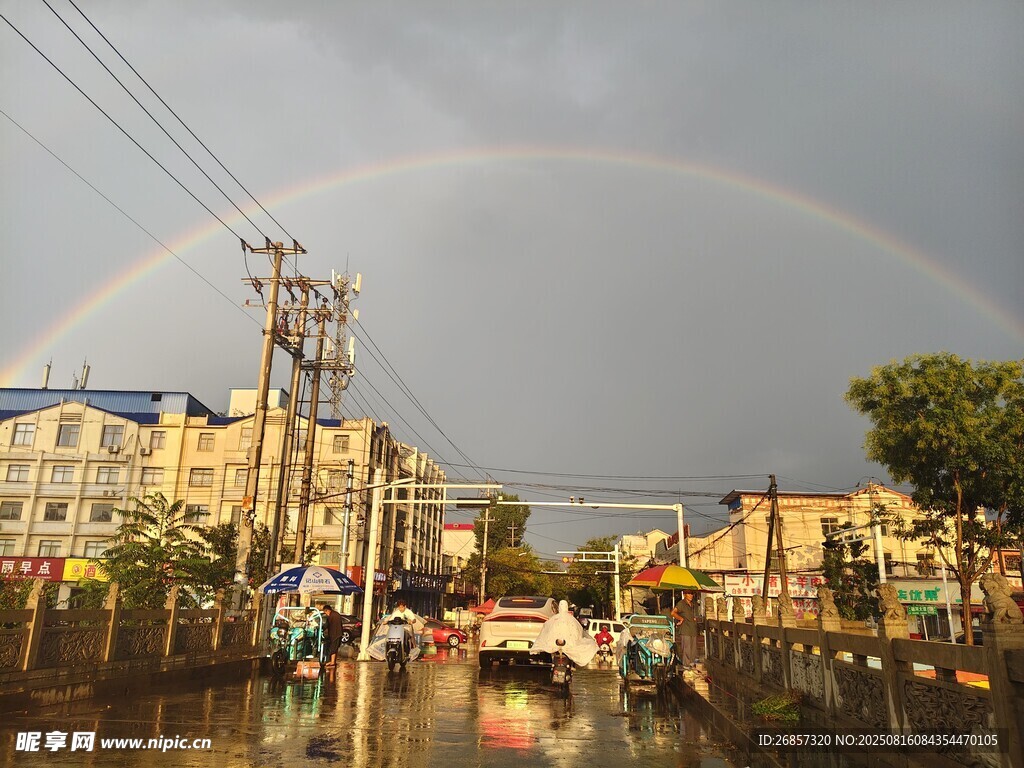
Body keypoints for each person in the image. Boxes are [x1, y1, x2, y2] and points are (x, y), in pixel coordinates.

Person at [531, 600, 598, 667]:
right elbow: (578, 631)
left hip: (554, 645)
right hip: (569, 645)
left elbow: (546, 630)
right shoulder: (572, 620)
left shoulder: (553, 619)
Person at [670, 591, 699, 668]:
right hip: (685, 629)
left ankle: (691, 665)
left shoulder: (693, 604)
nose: (691, 595)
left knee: (693, 650)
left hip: (693, 630)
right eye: (689, 594)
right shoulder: (681, 604)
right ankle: (686, 666)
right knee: (687, 649)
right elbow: (673, 613)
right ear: (684, 594)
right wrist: (681, 619)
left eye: (692, 593)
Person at [321, 603, 344, 668]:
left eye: (325, 612)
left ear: (327, 610)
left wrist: (323, 628)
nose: (326, 614)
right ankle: (333, 661)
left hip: (334, 634)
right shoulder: (336, 614)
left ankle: (332, 662)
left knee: (333, 648)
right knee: (335, 648)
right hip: (339, 633)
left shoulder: (331, 616)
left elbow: (326, 625)